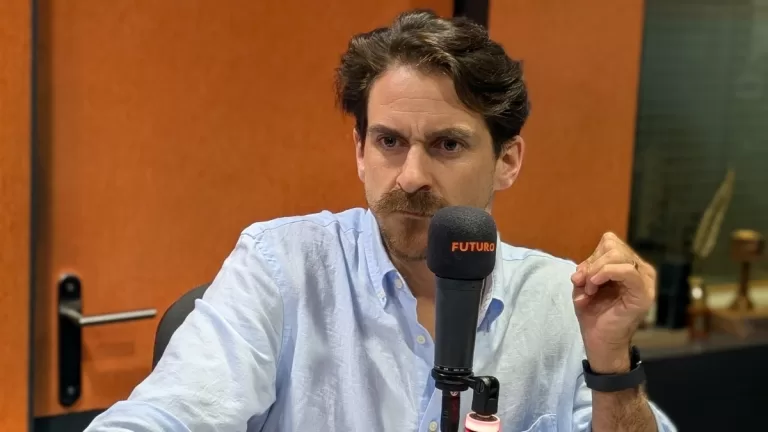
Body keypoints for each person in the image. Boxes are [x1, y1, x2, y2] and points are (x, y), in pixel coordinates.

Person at [86, 10, 675, 432]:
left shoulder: (560, 298)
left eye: (447, 145)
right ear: (360, 151)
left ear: (508, 161)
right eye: (389, 141)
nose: (411, 176)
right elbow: (163, 415)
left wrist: (612, 365)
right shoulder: (279, 266)